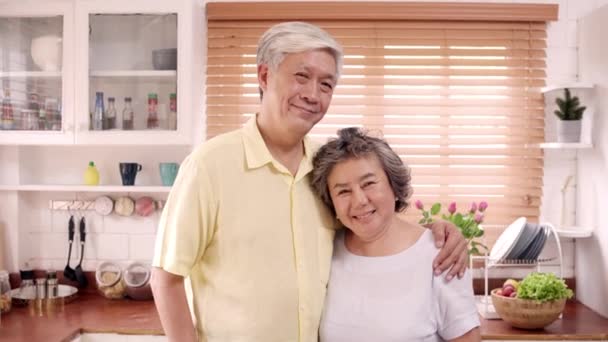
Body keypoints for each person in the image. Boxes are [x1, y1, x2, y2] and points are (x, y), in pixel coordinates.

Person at [151, 21, 469, 342]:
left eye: (326, 84)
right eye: (301, 77)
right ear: (264, 76)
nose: (313, 95)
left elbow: (370, 221)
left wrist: (439, 233)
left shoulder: (327, 168)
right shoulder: (209, 166)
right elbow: (166, 277)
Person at [311, 127, 481, 342]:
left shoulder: (440, 255)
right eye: (343, 191)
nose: (360, 200)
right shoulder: (327, 251)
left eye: (369, 183)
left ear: (393, 185)